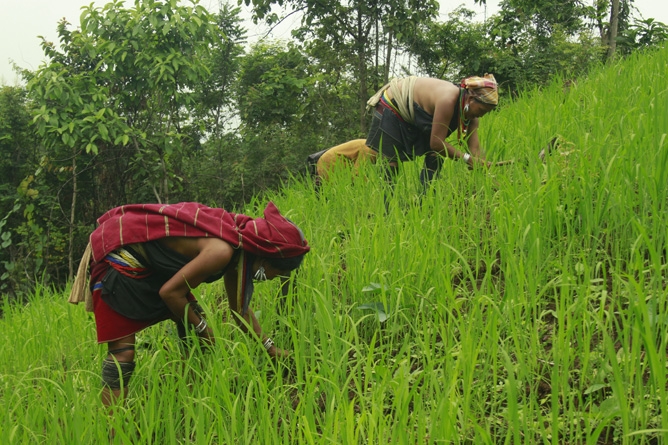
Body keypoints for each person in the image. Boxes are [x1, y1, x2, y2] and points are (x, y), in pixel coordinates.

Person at [68, 201, 310, 413]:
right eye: (277, 273)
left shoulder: (238, 251)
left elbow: (239, 310)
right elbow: (170, 293)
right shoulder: (222, 251)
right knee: (123, 354)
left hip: (154, 267)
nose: (273, 278)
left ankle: (188, 403)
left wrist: (269, 347)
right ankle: (112, 428)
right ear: (266, 260)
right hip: (122, 260)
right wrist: (203, 328)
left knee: (194, 334)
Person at [365, 74, 499, 187]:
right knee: (391, 160)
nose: (482, 115)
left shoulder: (471, 115)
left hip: (418, 112)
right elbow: (436, 143)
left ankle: (426, 200)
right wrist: (467, 159)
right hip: (393, 104)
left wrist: (488, 173)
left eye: (486, 112)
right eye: (482, 110)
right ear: (470, 99)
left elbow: (475, 149)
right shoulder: (448, 100)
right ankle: (388, 205)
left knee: (436, 155)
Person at [306, 139, 378, 185]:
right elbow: (357, 174)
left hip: (329, 160)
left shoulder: (371, 145)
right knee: (340, 193)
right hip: (331, 161)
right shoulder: (371, 149)